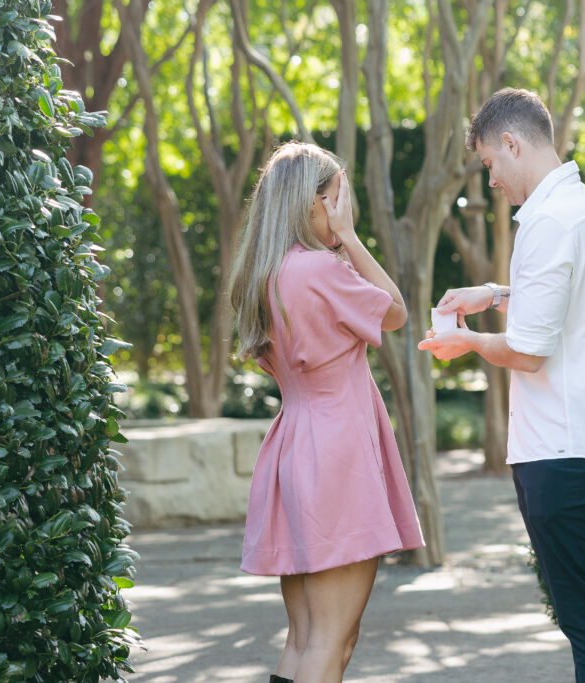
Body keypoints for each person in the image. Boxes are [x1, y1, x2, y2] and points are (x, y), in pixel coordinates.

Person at [418, 88, 585, 682]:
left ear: (512, 143)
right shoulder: (581, 206)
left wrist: (466, 342)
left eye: (490, 163)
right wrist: (494, 294)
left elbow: (527, 351)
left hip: (565, 453)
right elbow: (560, 298)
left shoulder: (546, 220)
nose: (491, 179)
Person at [228, 142, 424, 683]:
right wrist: (351, 239)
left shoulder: (267, 275)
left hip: (295, 448)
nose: (345, 208)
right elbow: (396, 312)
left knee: (304, 638)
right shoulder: (319, 269)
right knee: (331, 641)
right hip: (337, 457)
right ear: (314, 202)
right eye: (339, 197)